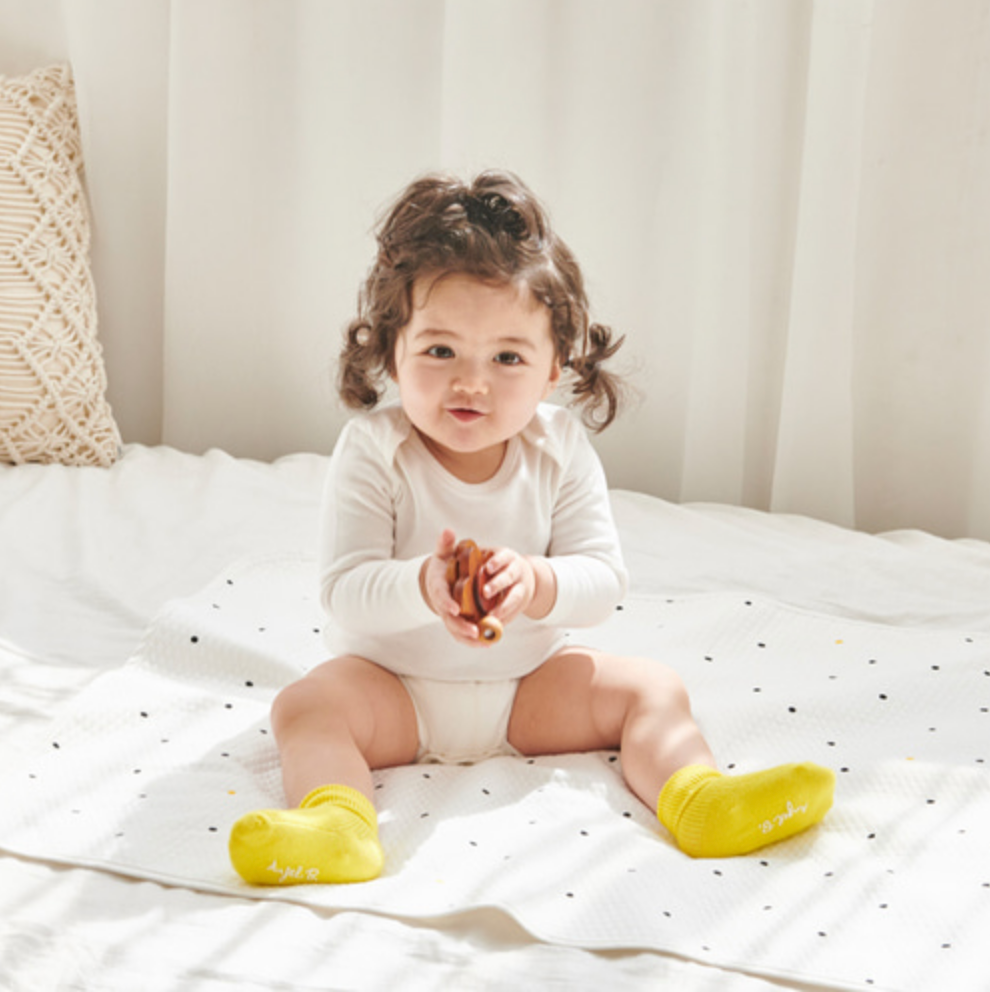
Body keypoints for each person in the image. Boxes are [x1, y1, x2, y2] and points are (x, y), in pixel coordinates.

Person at [228, 170, 834, 885]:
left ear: (554, 370)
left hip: (528, 691)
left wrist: (538, 581)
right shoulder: (373, 448)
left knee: (652, 688)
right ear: (392, 351)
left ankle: (699, 801)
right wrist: (424, 584)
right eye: (440, 350)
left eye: (508, 357)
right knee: (306, 704)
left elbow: (603, 584)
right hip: (392, 692)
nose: (472, 381)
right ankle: (342, 827)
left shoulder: (559, 447)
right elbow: (345, 592)